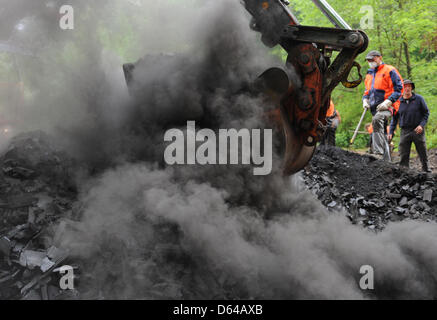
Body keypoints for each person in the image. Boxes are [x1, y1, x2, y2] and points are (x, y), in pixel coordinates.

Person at [362, 50, 403, 161]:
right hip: (375, 108)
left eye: (372, 59)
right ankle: (386, 162)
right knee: (382, 132)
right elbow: (367, 91)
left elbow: (399, 89)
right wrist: (365, 100)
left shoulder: (390, 70)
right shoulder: (369, 73)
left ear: (380, 57)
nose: (370, 61)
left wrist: (388, 101)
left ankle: (378, 153)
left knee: (377, 119)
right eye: (369, 60)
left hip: (390, 105)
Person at [388, 80, 431, 172]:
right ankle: (404, 173)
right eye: (405, 86)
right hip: (404, 131)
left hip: (417, 130)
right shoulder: (398, 102)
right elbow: (394, 119)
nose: (407, 88)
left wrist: (421, 125)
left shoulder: (419, 99)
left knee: (422, 153)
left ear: (412, 88)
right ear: (402, 88)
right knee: (403, 154)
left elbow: (426, 113)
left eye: (409, 86)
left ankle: (427, 172)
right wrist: (391, 132)